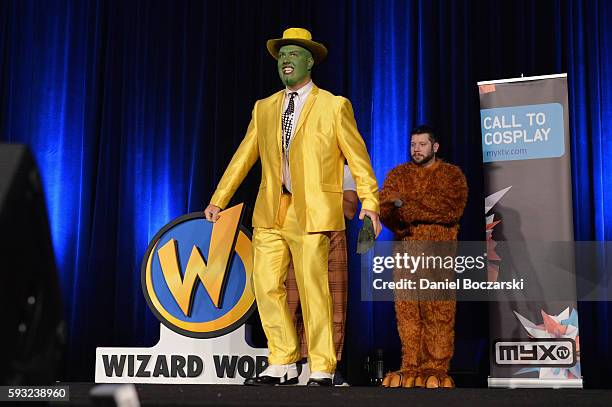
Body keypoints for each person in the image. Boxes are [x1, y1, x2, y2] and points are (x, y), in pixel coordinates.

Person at [204, 28, 380, 387]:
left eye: (294, 54)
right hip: (272, 208)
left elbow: (358, 158)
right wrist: (219, 198)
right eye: (282, 55)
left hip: (312, 210)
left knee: (314, 288)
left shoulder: (334, 105)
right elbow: (244, 156)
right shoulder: (264, 107)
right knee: (265, 284)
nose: (286, 60)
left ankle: (321, 366)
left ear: (310, 61)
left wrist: (370, 202)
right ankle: (282, 359)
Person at [379, 125, 468, 389]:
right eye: (413, 145)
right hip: (406, 256)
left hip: (438, 256)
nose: (416, 149)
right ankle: (410, 365)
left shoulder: (451, 175)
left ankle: (436, 368)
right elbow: (385, 207)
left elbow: (450, 209)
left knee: (438, 311)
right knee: (407, 312)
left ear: (435, 147)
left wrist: (405, 205)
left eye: (422, 144)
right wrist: (402, 209)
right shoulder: (398, 174)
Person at [285, 165, 358, 386]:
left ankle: (328, 367)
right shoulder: (292, 162)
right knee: (292, 300)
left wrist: (317, 192)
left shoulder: (343, 171)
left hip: (331, 233)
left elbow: (350, 210)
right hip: (297, 230)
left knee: (332, 304)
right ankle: (291, 363)